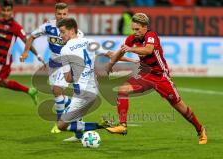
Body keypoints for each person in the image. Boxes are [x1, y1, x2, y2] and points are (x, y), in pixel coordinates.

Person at [105, 13, 207, 145]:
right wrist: (110, 65)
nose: (134, 32)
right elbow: (120, 51)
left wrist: (130, 49)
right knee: (122, 90)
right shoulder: (132, 39)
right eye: (133, 29)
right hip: (145, 75)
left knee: (179, 106)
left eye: (137, 29)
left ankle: (200, 130)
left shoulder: (151, 36)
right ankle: (122, 126)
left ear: (145, 27)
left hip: (160, 76)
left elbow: (148, 50)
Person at [20, 2, 84, 141]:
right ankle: (75, 107)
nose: (62, 16)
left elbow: (81, 47)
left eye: (64, 14)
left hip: (67, 64)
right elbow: (31, 36)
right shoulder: (48, 26)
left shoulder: (74, 31)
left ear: (68, 14)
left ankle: (59, 124)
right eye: (59, 14)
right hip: (54, 64)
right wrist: (26, 52)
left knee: (56, 90)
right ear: (55, 14)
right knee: (58, 95)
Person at [0, 0, 42, 109]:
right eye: (4, 10)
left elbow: (26, 40)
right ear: (1, 10)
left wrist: (37, 54)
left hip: (2, 60)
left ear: (12, 11)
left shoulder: (16, 26)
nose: (6, 13)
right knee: (2, 82)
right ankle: (30, 91)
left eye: (8, 10)